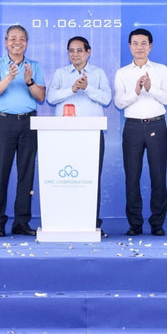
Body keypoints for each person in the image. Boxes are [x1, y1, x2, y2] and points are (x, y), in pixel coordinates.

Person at [47, 36, 112, 237]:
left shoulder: (98, 73)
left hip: (92, 134)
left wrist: (87, 88)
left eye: (79, 50)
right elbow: (51, 97)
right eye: (71, 51)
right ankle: (64, 220)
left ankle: (92, 223)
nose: (75, 54)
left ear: (88, 52)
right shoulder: (60, 73)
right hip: (63, 135)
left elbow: (107, 99)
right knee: (65, 178)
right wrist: (73, 89)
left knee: (91, 179)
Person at [0, 25, 45, 237]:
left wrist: (29, 80)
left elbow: (40, 97)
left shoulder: (34, 66)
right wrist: (10, 77)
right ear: (6, 42)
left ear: (27, 43)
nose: (17, 42)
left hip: (29, 123)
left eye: (21, 38)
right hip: (4, 123)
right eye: (12, 38)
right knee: (0, 173)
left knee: (26, 174)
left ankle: (21, 222)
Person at [114, 28, 167, 236]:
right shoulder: (122, 73)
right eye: (135, 43)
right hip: (133, 127)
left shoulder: (161, 70)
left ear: (150, 46)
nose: (139, 47)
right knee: (132, 176)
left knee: (158, 176)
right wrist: (137, 91)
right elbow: (119, 102)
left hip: (157, 125)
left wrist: (150, 87)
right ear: (129, 46)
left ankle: (157, 223)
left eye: (143, 43)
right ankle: (135, 224)